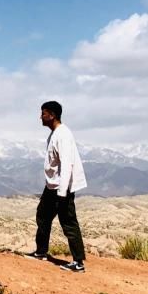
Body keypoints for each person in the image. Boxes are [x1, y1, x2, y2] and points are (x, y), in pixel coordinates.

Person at [26, 100, 87, 272]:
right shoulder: (55, 134)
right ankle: (41, 252)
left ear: (52, 115)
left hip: (62, 188)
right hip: (52, 186)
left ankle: (78, 263)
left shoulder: (63, 135)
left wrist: (62, 193)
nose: (40, 117)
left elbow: (67, 164)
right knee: (43, 216)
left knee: (68, 223)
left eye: (43, 113)